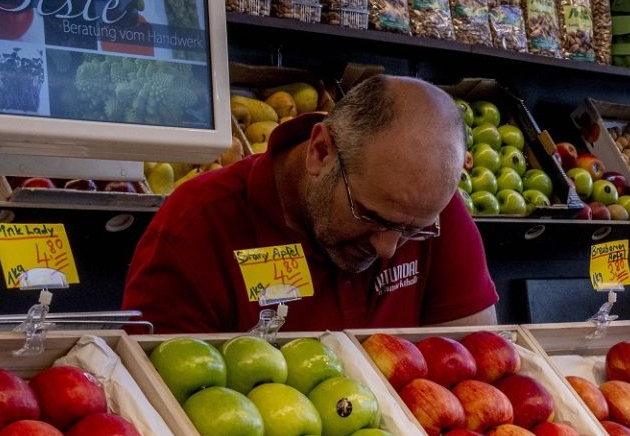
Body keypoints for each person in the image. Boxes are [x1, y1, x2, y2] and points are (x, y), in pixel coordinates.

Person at [124, 75, 497, 334]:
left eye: (412, 232)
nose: (387, 250)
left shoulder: (423, 204)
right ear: (321, 153)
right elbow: (158, 400)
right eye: (368, 215)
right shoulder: (195, 230)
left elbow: (475, 368)